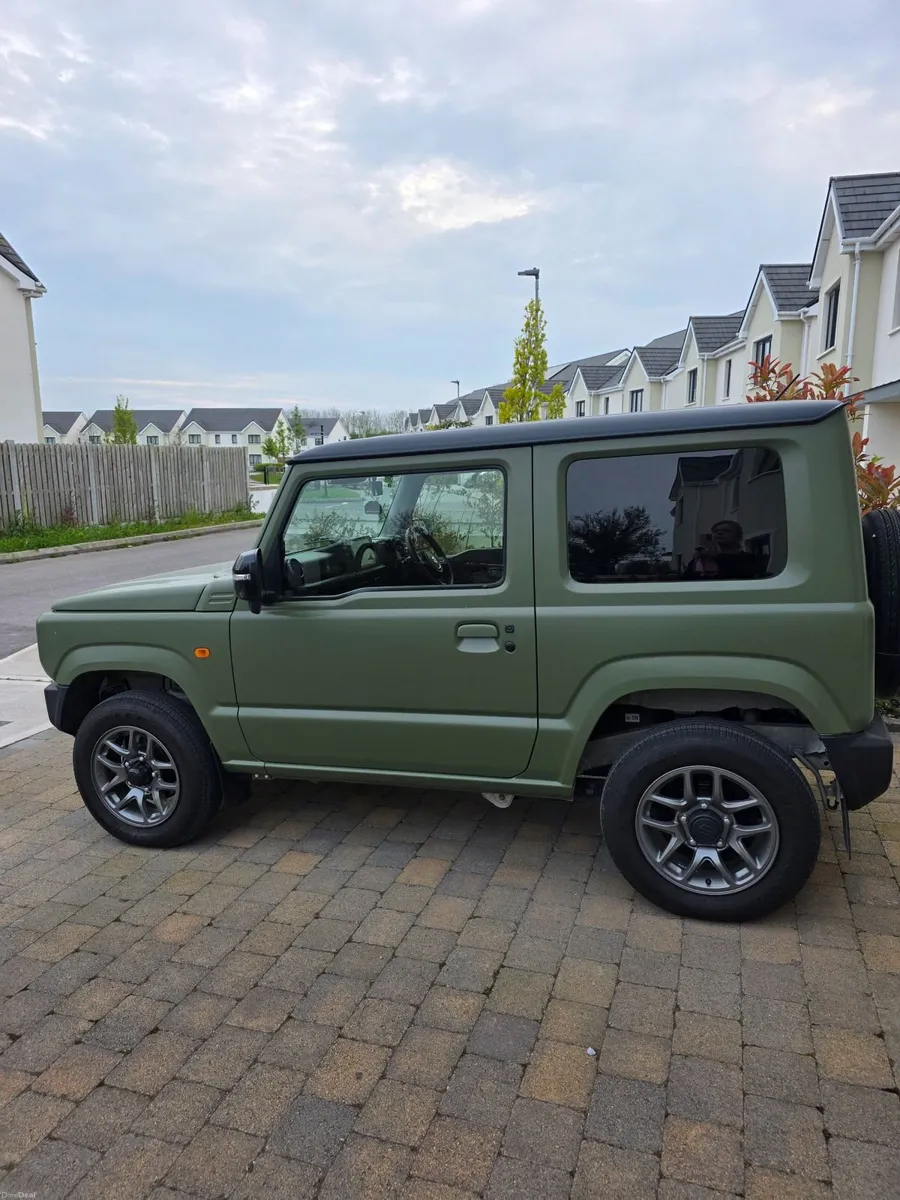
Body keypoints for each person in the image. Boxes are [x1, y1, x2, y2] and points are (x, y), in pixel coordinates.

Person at [684, 520, 762, 580]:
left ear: (738, 536)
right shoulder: (701, 560)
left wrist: (717, 557)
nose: (719, 533)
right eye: (715, 531)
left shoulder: (748, 559)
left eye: (726, 531)